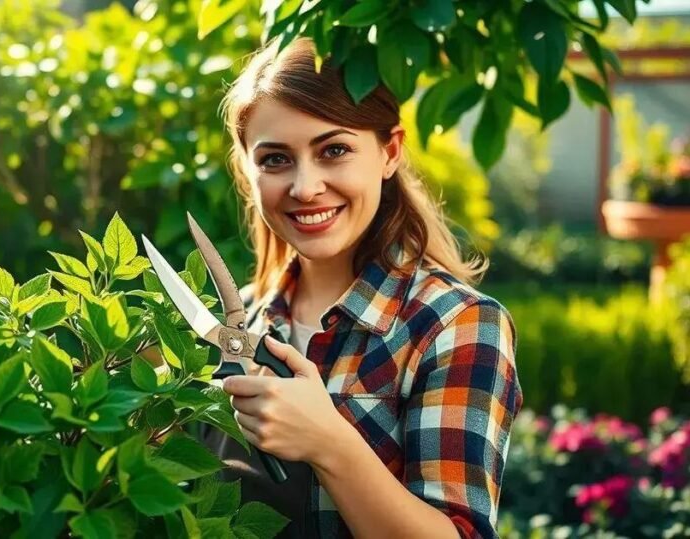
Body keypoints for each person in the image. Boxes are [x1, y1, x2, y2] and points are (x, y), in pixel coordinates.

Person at [196, 37, 523, 538]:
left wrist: (329, 443)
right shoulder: (244, 321)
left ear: (389, 152)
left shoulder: (455, 325)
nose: (305, 188)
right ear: (248, 168)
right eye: (276, 159)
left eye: (335, 150)